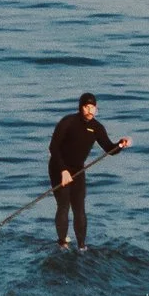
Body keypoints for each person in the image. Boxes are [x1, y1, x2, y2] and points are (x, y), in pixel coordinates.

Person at [49, 93, 131, 251]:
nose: (89, 110)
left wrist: (120, 145)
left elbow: (109, 148)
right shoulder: (68, 122)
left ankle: (81, 246)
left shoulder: (96, 128)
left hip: (78, 169)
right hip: (58, 167)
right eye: (86, 107)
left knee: (79, 208)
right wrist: (63, 170)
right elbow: (53, 147)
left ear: (96, 108)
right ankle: (62, 243)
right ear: (80, 108)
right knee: (64, 205)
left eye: (92, 107)